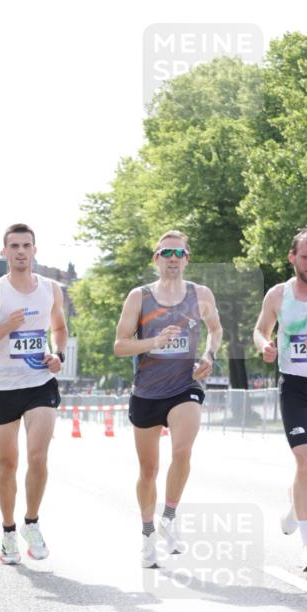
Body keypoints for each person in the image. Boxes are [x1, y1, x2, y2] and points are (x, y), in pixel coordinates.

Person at [114, 230, 222, 569]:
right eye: (166, 252)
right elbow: (120, 345)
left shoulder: (200, 294)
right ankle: (148, 534)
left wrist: (209, 355)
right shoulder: (139, 297)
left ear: (187, 258)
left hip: (183, 386)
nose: (172, 258)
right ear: (156, 259)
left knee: (182, 449)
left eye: (179, 252)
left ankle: (170, 517)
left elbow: (216, 330)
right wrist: (154, 343)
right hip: (147, 391)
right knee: (148, 470)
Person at [0, 223, 68, 564]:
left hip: (39, 382)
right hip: (2, 386)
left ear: (35, 250)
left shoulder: (52, 289)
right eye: (15, 246)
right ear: (5, 252)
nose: (21, 251)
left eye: (27, 245)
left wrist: (58, 355)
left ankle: (32, 523)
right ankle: (9, 532)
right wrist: (5, 327)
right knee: (8, 463)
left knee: (38, 456)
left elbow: (59, 329)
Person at [253, 226, 307, 572]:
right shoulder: (277, 295)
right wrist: (266, 346)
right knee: (305, 465)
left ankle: (293, 508)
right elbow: (260, 330)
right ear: (292, 257)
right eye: (305, 257)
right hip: (295, 388)